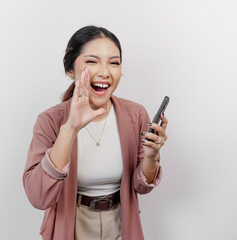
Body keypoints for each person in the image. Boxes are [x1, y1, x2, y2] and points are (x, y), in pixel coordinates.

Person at [23, 25, 168, 240]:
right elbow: (38, 197)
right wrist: (70, 128)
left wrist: (150, 157)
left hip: (122, 221)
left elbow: (142, 187)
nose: (105, 72)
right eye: (92, 61)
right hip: (72, 224)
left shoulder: (135, 114)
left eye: (114, 63)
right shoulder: (50, 121)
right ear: (70, 70)